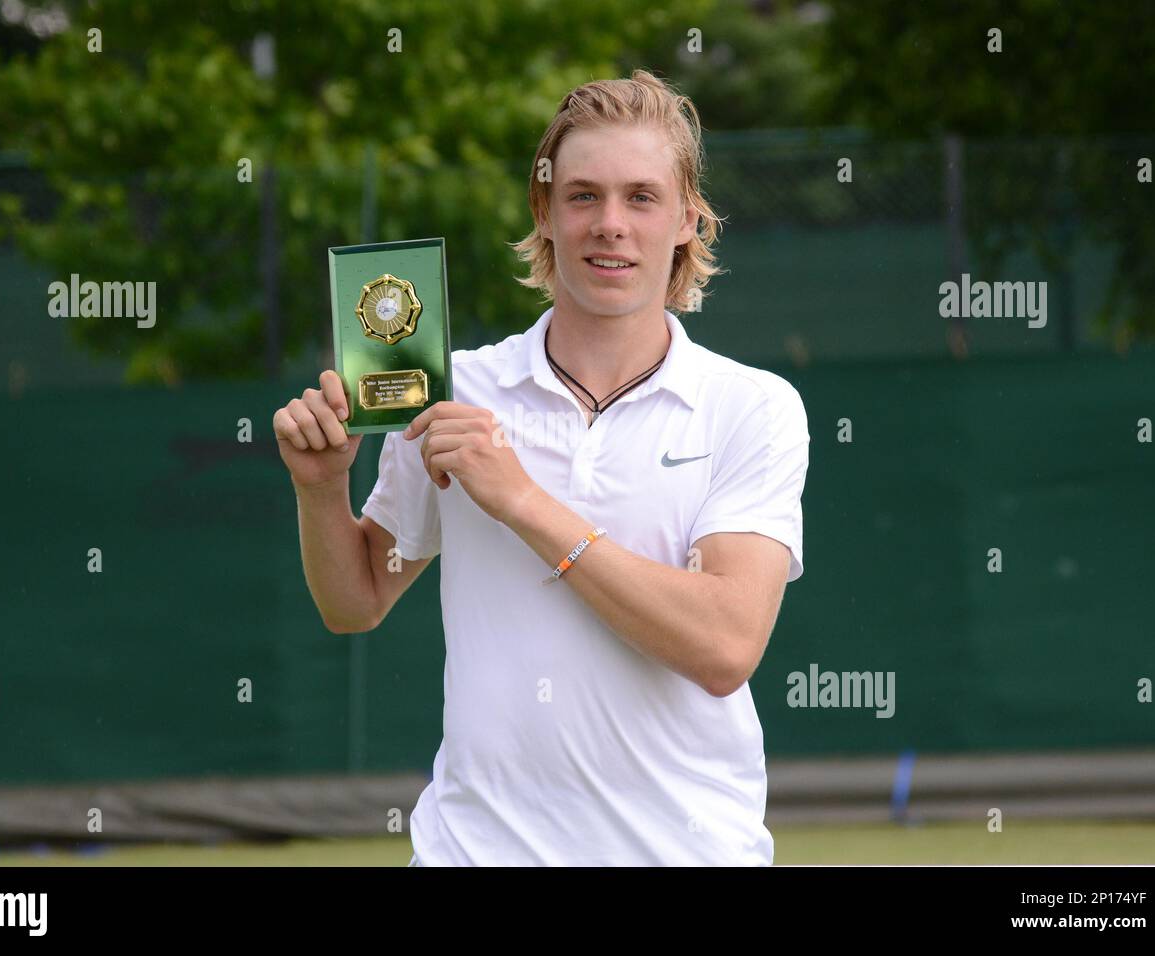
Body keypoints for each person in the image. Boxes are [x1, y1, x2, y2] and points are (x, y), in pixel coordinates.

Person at [273, 70, 809, 866]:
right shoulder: (450, 389)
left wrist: (520, 499)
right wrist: (320, 489)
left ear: (688, 221)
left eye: (641, 197)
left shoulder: (752, 406)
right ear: (545, 213)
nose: (610, 225)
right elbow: (356, 601)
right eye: (583, 196)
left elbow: (725, 647)